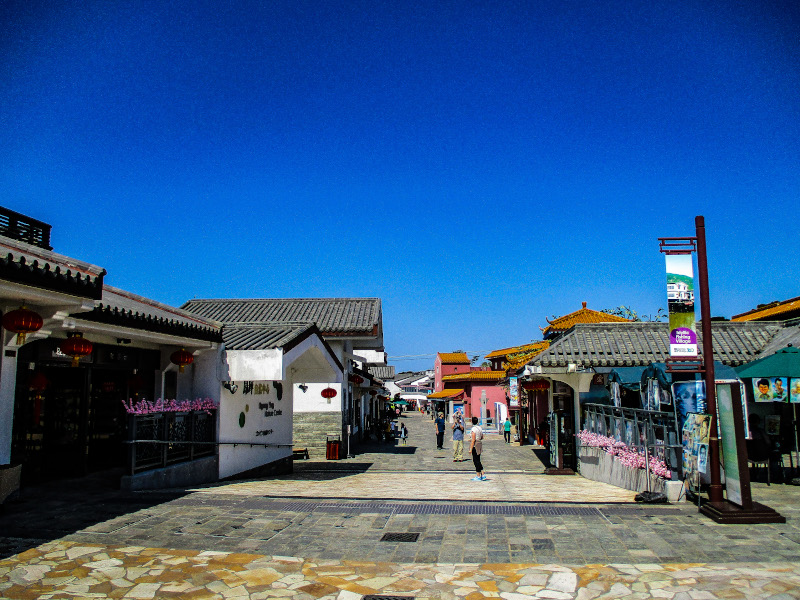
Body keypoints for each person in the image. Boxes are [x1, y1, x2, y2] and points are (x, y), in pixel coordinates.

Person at [469, 416, 486, 481]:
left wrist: (470, 449)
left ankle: (478, 475)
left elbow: (473, 439)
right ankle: (483, 474)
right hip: (479, 443)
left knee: (476, 460)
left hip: (475, 445)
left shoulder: (473, 429)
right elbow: (482, 437)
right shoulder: (480, 428)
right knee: (478, 459)